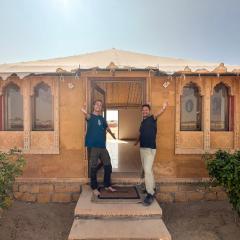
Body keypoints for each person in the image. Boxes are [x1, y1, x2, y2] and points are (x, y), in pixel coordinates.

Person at [135, 101, 168, 206]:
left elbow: (158, 113)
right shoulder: (142, 122)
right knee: (147, 170)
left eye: (146, 110)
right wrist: (136, 141)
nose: (144, 111)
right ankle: (152, 187)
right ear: (142, 112)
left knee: (147, 170)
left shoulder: (152, 118)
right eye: (143, 110)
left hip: (150, 149)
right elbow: (141, 133)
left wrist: (163, 108)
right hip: (142, 148)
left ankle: (150, 194)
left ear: (149, 111)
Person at [81, 100, 116, 196]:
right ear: (93, 106)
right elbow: (86, 115)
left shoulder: (102, 118)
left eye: (100, 105)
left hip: (102, 146)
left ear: (101, 107)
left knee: (108, 165)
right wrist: (83, 109)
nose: (98, 106)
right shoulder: (90, 117)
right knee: (93, 166)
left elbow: (107, 127)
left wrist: (112, 134)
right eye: (97, 104)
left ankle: (107, 184)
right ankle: (94, 187)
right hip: (93, 146)